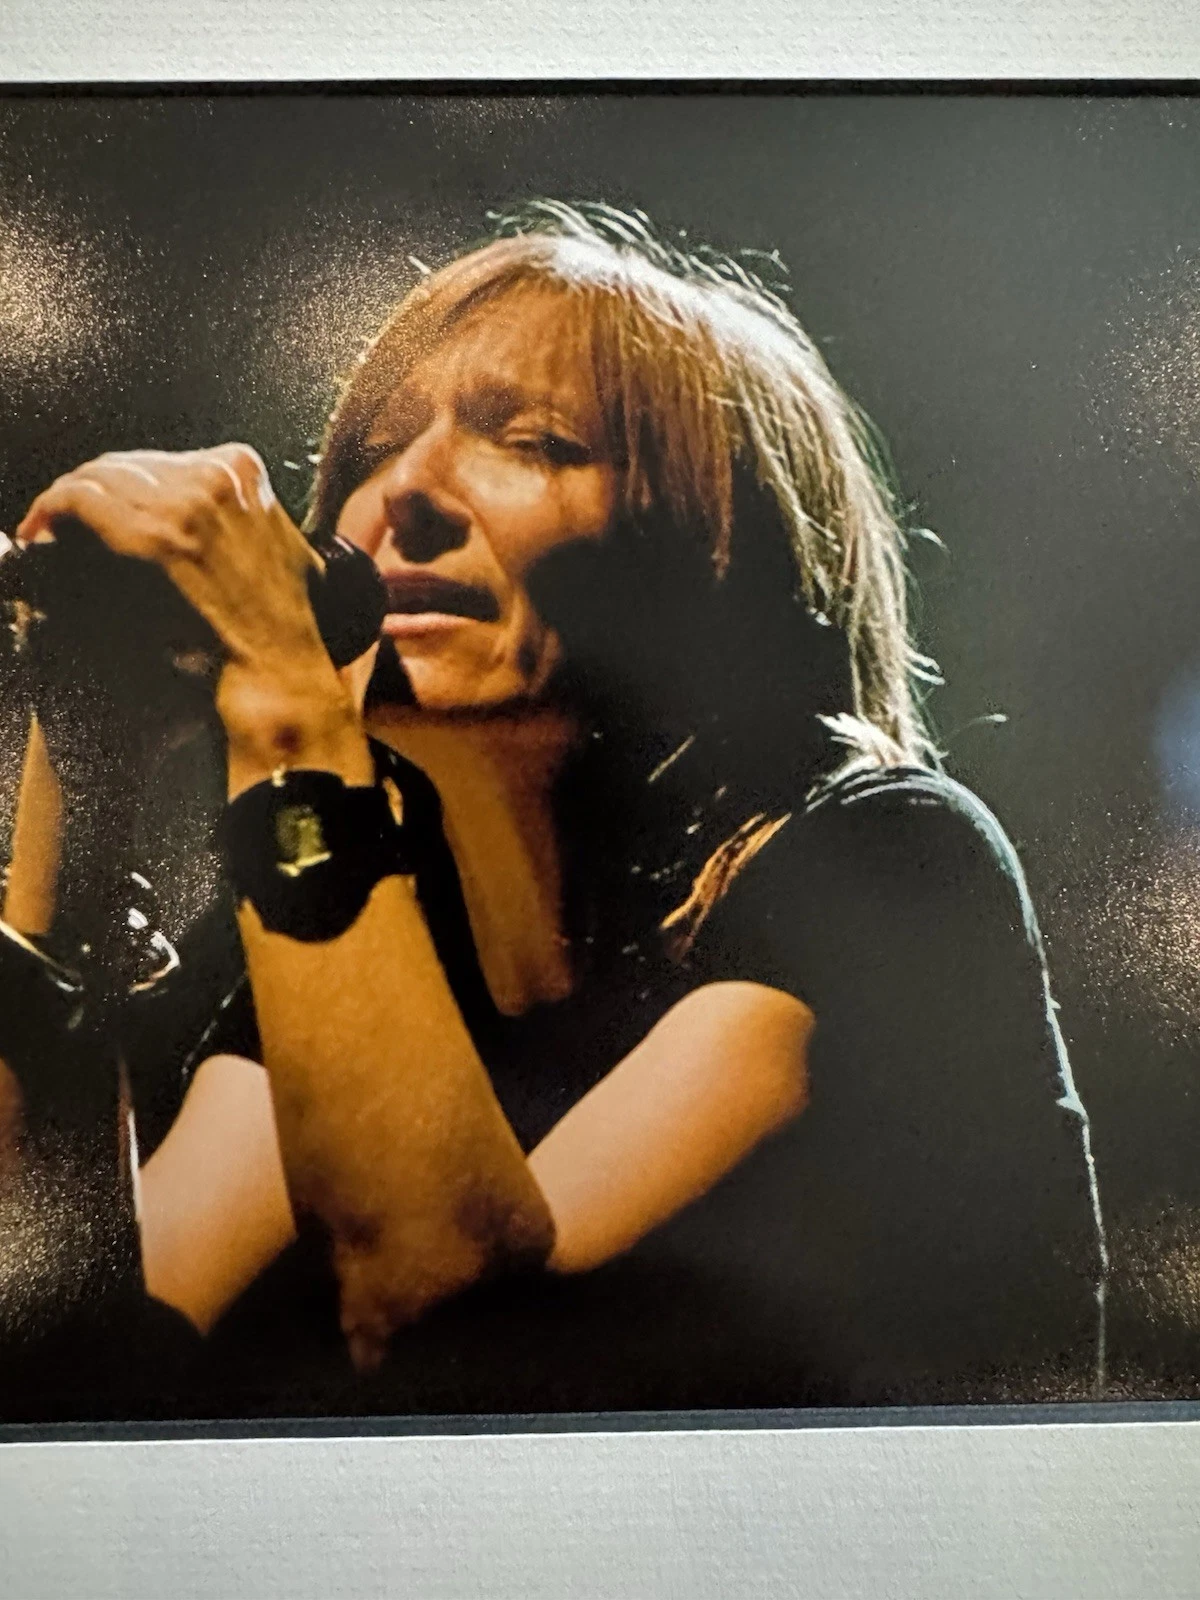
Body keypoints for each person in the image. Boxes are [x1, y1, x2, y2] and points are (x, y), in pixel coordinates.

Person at [2, 201, 1106, 1414]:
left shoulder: (888, 861)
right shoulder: (358, 923)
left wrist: (288, 708)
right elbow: (57, 1337)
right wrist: (84, 778)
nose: (406, 492)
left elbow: (439, 1312)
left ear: (718, 566)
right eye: (376, 445)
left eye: (530, 441)